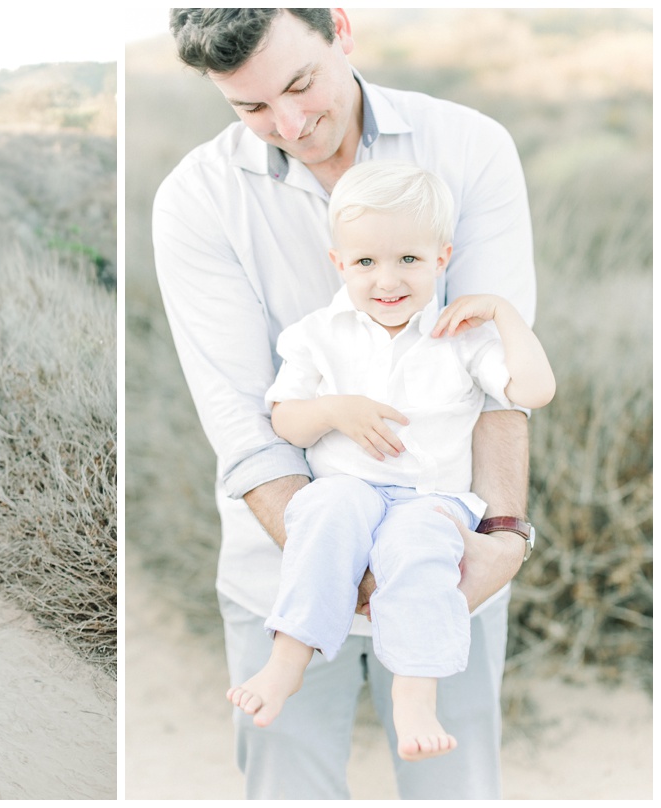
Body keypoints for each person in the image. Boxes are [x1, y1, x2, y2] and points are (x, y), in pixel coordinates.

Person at [153, 8, 538, 799]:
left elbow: (498, 380)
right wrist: (332, 561)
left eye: (300, 83)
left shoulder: (470, 146)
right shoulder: (195, 199)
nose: (289, 124)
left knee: (455, 788)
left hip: (449, 552)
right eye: (251, 108)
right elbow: (243, 419)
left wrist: (500, 534)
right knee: (288, 787)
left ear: (339, 29)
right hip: (283, 566)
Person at [225, 160, 554, 762]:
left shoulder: (463, 340)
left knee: (423, 545)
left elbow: (533, 393)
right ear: (339, 264)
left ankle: (414, 694)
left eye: (409, 260)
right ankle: (287, 660)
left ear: (441, 258)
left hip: (431, 498)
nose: (388, 280)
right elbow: (284, 419)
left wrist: (504, 314)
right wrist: (335, 409)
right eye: (366, 263)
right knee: (323, 508)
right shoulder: (318, 334)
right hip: (348, 487)